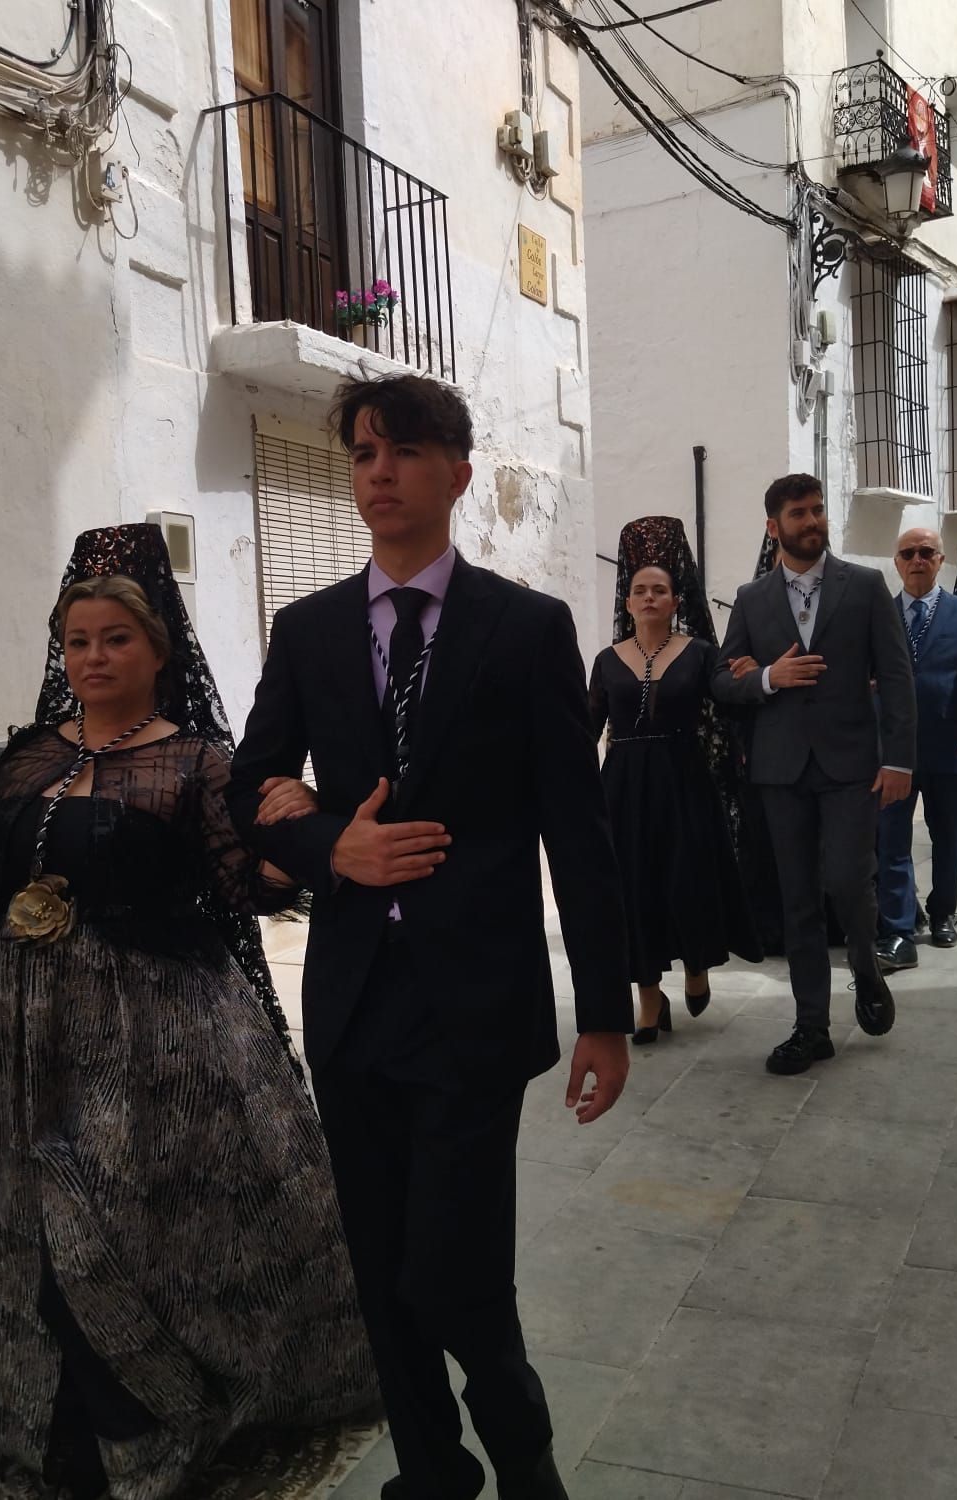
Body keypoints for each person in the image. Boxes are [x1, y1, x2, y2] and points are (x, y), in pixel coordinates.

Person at [0, 526, 379, 1500]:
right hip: (19, 1036)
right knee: (31, 1227)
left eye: (114, 640)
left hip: (159, 1041)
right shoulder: (25, 759)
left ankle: (147, 1422)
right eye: (77, 641)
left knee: (135, 1235)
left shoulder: (195, 764)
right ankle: (70, 1423)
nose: (93, 658)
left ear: (158, 652)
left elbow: (247, 882)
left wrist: (309, 834)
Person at [229, 373, 631, 1500]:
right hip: (355, 999)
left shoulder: (525, 628)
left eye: (401, 452)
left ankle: (524, 1460)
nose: (377, 474)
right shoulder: (308, 632)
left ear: (455, 472)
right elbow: (250, 782)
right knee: (377, 1267)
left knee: (450, 1273)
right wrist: (326, 854)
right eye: (361, 454)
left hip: (476, 1002)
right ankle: (428, 1477)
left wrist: (602, 1010)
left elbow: (576, 832)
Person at [709, 473, 913, 1076]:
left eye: (818, 510)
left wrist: (899, 759)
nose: (812, 521)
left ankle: (866, 964)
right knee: (797, 897)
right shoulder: (751, 600)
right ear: (774, 526)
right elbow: (722, 681)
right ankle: (811, 1026)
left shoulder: (866, 585)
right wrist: (769, 677)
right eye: (799, 513)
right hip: (780, 769)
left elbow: (897, 676)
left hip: (852, 764)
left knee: (849, 880)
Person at [590, 518, 761, 1043]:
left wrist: (751, 678)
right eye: (639, 589)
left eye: (659, 590)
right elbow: (586, 725)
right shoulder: (605, 660)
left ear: (674, 599)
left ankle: (695, 965)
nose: (648, 597)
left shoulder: (699, 652)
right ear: (627, 602)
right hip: (623, 787)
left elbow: (726, 700)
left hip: (685, 781)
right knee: (633, 890)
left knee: (687, 879)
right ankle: (647, 1000)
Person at [873, 528, 957, 972]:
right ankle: (899, 929)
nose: (917, 559)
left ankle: (942, 913)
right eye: (908, 553)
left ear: (941, 560)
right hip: (893, 751)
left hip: (952, 745)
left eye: (926, 552)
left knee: (948, 838)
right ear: (897, 562)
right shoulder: (878, 615)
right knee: (892, 840)